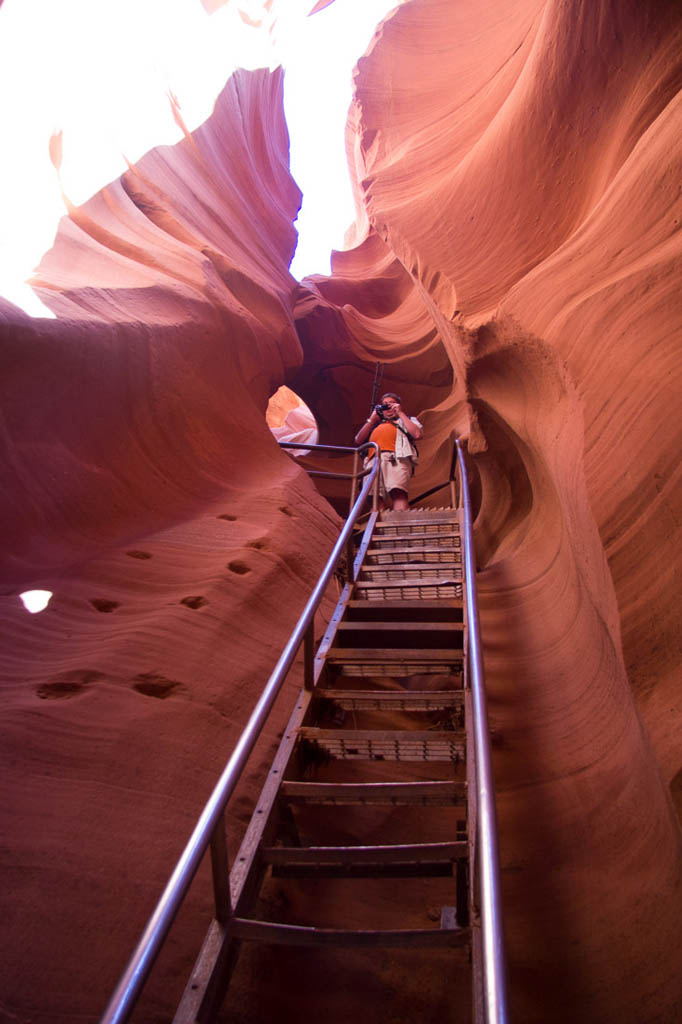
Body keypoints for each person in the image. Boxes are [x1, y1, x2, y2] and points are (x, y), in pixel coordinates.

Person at [354, 393, 423, 511]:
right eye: (385, 405)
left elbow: (417, 434)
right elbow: (358, 439)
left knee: (398, 492)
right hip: (373, 461)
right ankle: (376, 527)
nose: (388, 407)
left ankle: (400, 525)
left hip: (396, 458)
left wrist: (400, 413)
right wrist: (372, 419)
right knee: (373, 497)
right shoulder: (375, 425)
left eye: (391, 403)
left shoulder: (406, 420)